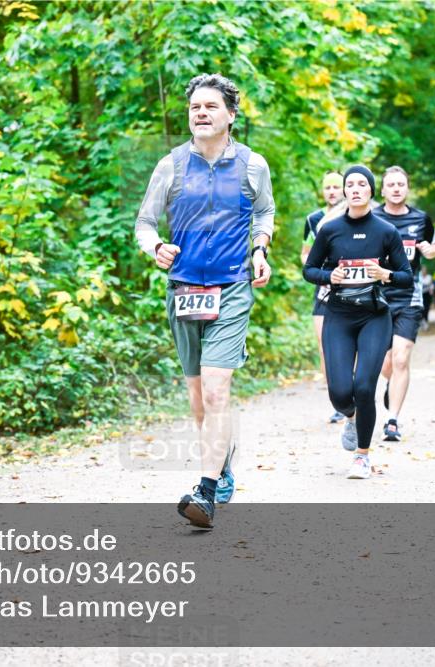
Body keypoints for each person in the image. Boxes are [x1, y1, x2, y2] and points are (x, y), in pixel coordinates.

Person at [135, 73, 275, 528]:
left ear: (231, 115)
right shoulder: (170, 166)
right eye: (195, 106)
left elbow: (265, 210)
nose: (201, 112)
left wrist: (260, 248)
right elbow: (145, 223)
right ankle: (222, 464)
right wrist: (155, 247)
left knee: (217, 388)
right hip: (184, 289)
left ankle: (206, 490)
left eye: (211, 106)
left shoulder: (253, 165)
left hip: (232, 286)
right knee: (199, 399)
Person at [303, 165, 412, 479]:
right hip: (338, 315)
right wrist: (329, 275)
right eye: (349, 184)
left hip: (374, 317)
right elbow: (309, 270)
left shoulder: (386, 232)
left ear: (370, 190)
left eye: (361, 184)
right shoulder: (330, 230)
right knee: (339, 392)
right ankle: (350, 417)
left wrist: (386, 275)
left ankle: (362, 456)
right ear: (345, 191)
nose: (354, 189)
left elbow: (406, 278)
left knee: (364, 386)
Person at [374, 166, 435, 442]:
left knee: (401, 357)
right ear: (383, 190)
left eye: (401, 184)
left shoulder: (420, 219)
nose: (397, 188)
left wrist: (429, 250)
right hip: (376, 294)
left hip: (409, 294)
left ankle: (392, 420)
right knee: (385, 362)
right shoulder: (372, 217)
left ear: (407, 188)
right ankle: (390, 382)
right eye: (391, 184)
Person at [301, 171, 347, 424]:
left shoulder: (354, 215)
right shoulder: (314, 219)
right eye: (327, 187)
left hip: (351, 288)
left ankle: (352, 391)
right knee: (324, 345)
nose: (332, 191)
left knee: (351, 343)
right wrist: (318, 271)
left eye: (336, 187)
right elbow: (305, 254)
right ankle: (337, 401)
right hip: (323, 288)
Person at [420, 265, 435, 331]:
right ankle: (422, 321)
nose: (424, 271)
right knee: (421, 309)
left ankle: (425, 321)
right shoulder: (419, 277)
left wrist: (431, 290)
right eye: (423, 270)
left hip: (427, 295)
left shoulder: (429, 277)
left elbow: (431, 285)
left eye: (425, 270)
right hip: (420, 295)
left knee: (426, 308)